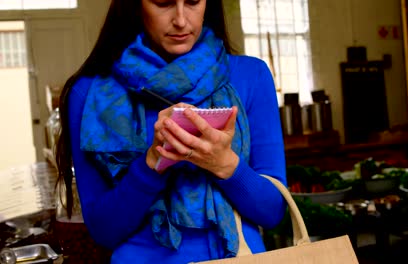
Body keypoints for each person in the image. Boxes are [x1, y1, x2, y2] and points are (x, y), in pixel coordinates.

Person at [56, 0, 287, 263]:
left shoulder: (249, 75)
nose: (180, 19)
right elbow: (103, 232)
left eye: (192, 2)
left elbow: (273, 213)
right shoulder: (90, 93)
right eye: (163, 3)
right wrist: (151, 164)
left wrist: (226, 166)